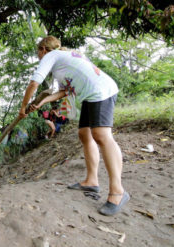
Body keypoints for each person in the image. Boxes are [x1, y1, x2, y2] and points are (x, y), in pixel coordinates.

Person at [19, 35, 129, 216]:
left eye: (38, 53)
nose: (39, 57)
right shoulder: (62, 63)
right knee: (85, 134)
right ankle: (91, 181)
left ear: (43, 50)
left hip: (100, 91)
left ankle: (118, 191)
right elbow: (63, 92)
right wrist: (41, 103)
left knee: (101, 135)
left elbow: (34, 83)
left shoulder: (52, 56)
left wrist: (23, 107)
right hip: (90, 95)